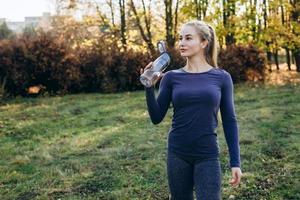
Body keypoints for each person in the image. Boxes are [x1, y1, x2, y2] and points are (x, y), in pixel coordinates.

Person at [140, 20, 242, 200]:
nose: (181, 43)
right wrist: (149, 87)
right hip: (178, 153)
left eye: (188, 38)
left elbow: (230, 120)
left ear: (204, 42)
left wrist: (236, 162)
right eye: (180, 38)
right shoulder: (170, 77)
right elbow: (156, 117)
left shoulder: (222, 77)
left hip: (207, 154)